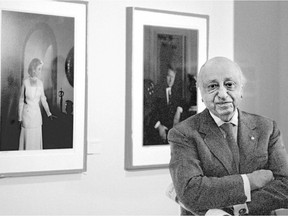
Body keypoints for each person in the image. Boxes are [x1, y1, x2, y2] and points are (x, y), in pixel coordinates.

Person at [168, 57, 288, 215]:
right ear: (202, 94)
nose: (223, 94)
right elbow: (191, 192)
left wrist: (238, 209)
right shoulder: (183, 133)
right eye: (212, 86)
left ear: (241, 90)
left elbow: (285, 184)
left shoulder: (267, 128)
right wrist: (250, 181)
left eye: (229, 84)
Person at [18, 58, 55, 150]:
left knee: (35, 142)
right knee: (27, 141)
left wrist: (49, 113)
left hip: (37, 118)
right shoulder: (25, 82)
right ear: (33, 69)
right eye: (39, 69)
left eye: (41, 69)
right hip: (27, 117)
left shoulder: (40, 83)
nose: (40, 71)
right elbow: (21, 100)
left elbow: (43, 99)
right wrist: (20, 117)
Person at [150, 65, 186, 144]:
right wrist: (159, 127)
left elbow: (184, 104)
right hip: (161, 130)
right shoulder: (157, 91)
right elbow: (151, 112)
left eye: (172, 77)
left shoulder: (176, 92)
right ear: (164, 76)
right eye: (168, 76)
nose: (170, 80)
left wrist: (179, 110)